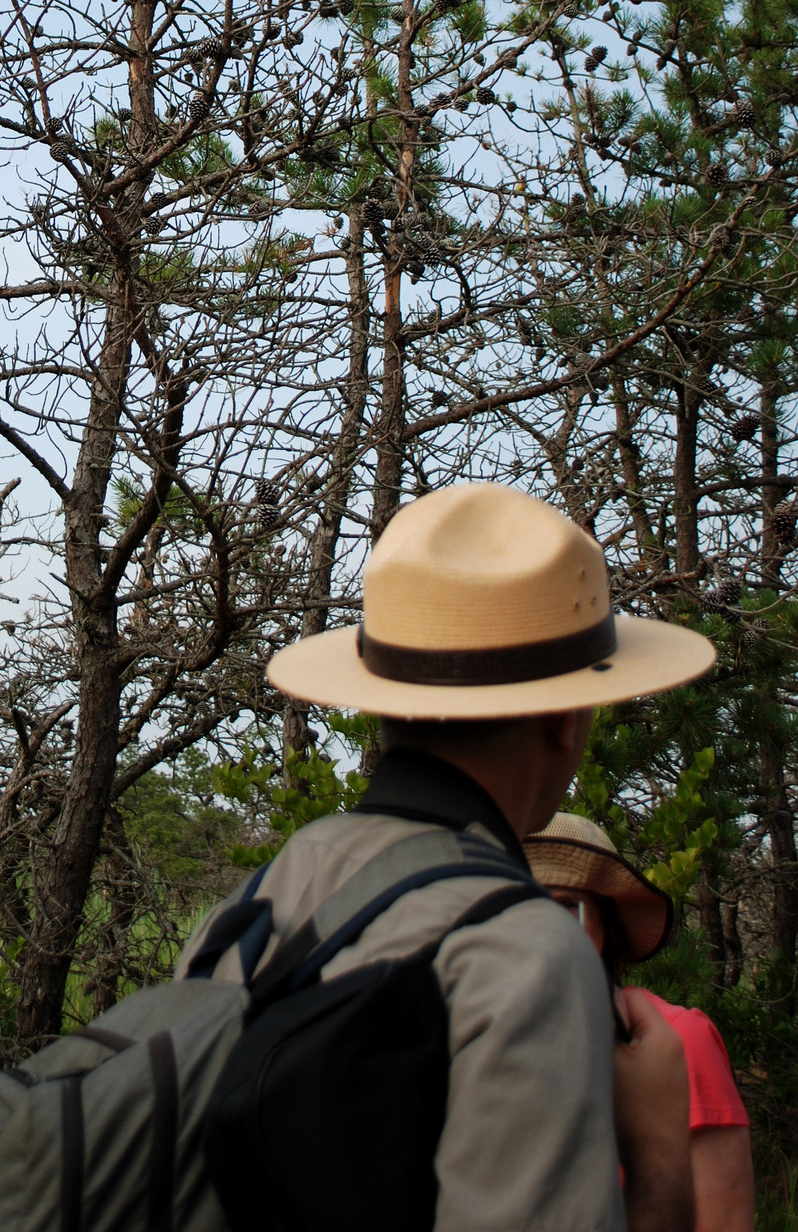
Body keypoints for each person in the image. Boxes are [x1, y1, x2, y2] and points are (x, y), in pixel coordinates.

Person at [180, 480, 716, 1232]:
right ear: (565, 718)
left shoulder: (250, 907)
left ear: (381, 698)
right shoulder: (524, 953)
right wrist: (658, 1145)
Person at [526, 812, 755, 1232]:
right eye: (521, 907)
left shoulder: (678, 1040)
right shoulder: (483, 1050)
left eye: (566, 906)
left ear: (605, 927)